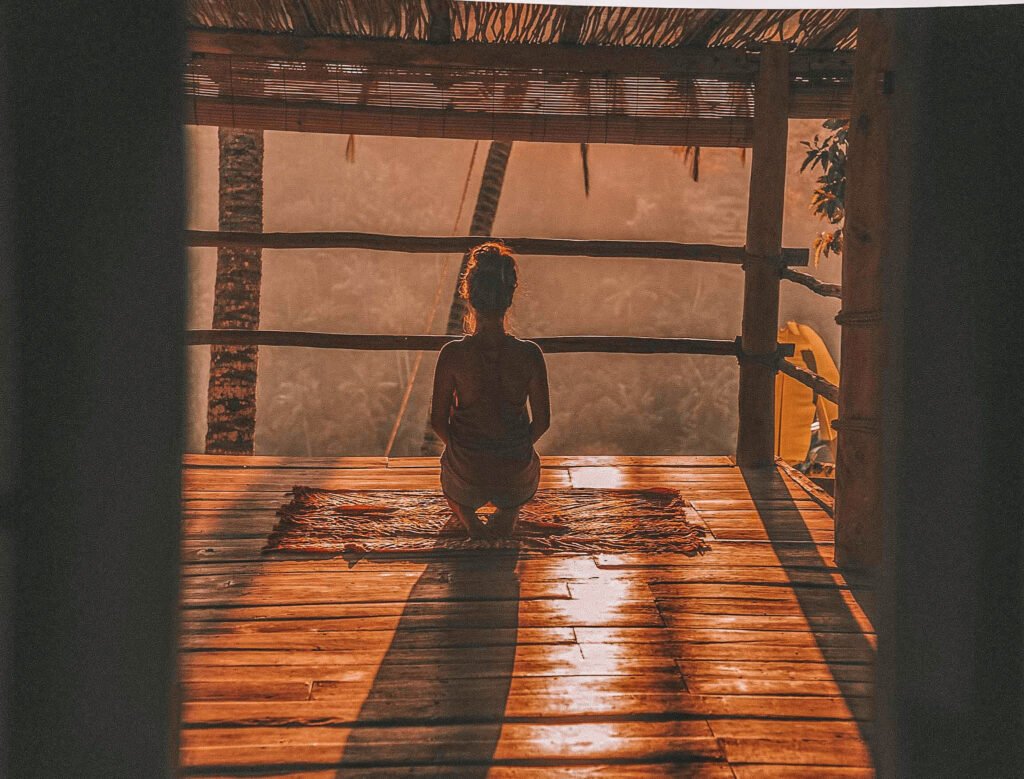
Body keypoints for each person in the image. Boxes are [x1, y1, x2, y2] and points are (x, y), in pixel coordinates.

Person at [429, 242, 550, 539]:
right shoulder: (529, 355)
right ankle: (510, 510)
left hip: (467, 472)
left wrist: (463, 449)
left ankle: (469, 519)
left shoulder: (453, 355)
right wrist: (514, 446)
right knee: (523, 469)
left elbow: (437, 421)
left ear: (469, 295)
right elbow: (543, 422)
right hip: (514, 473)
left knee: (451, 477)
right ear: (509, 297)